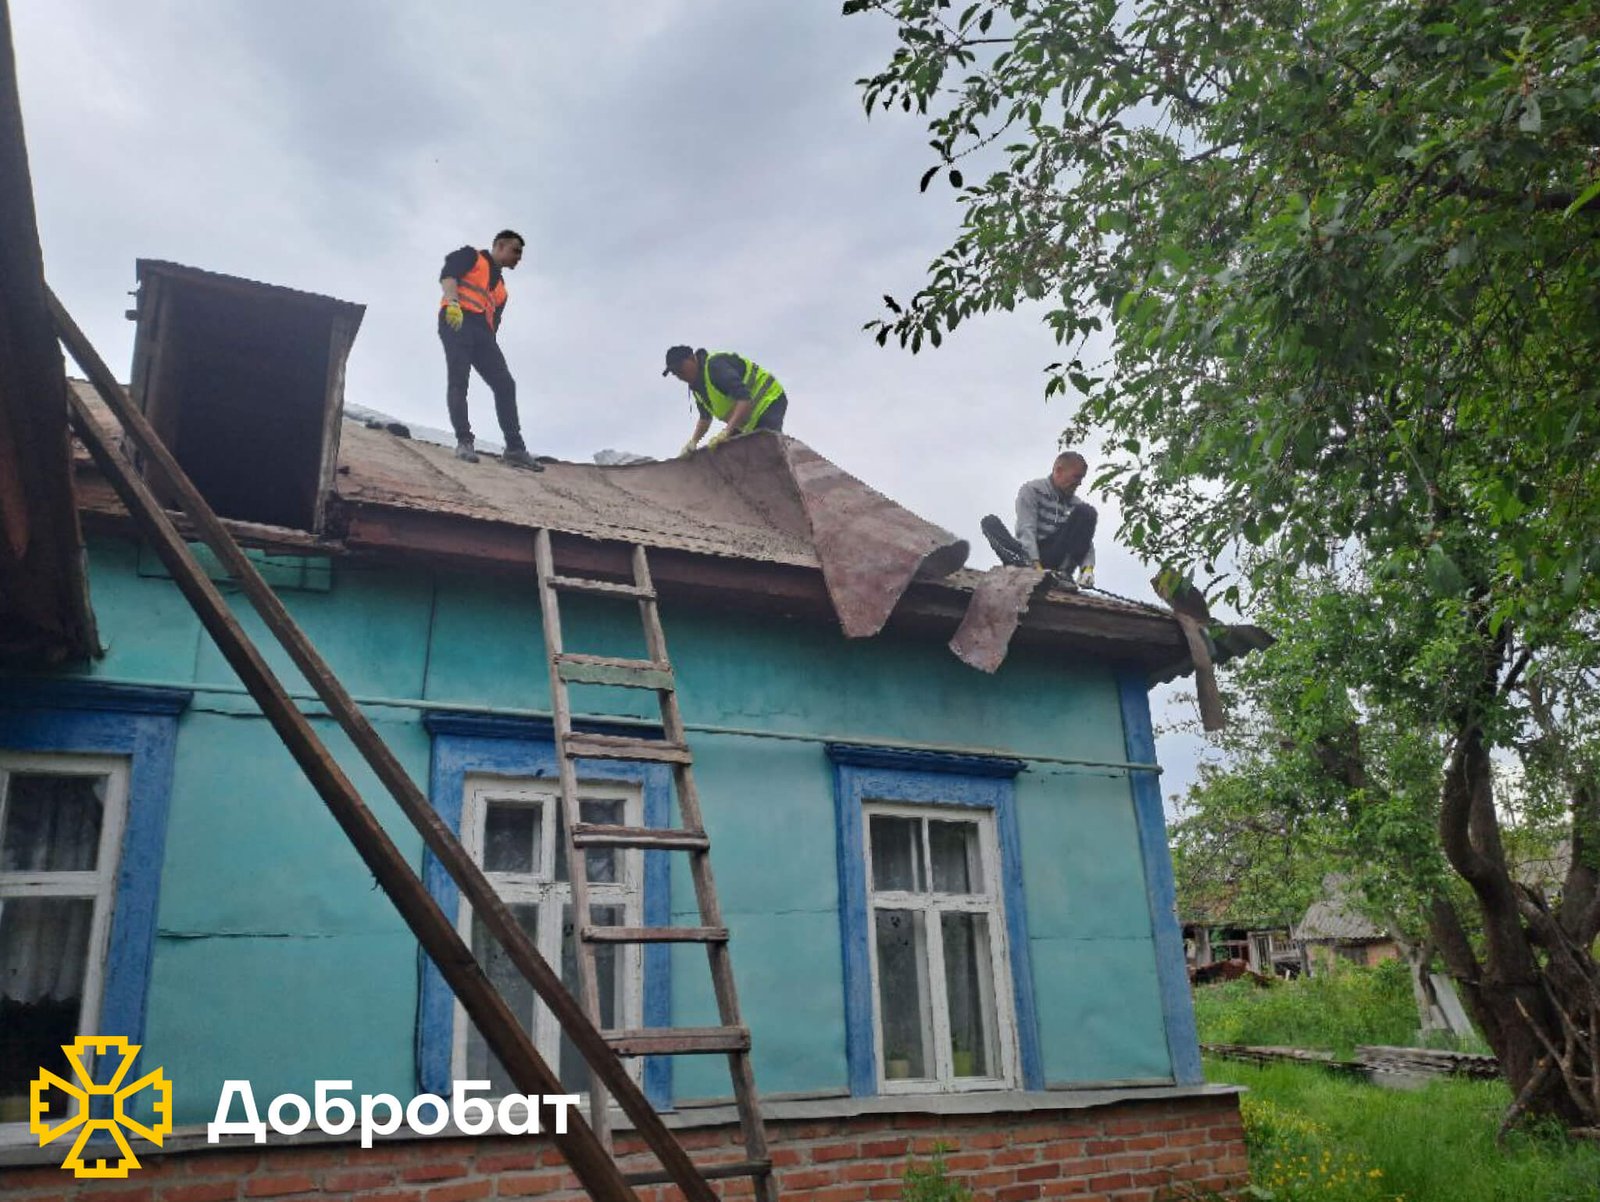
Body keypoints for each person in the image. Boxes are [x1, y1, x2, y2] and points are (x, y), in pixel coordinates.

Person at [439, 231, 540, 470]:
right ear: (500, 245)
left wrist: (489, 341)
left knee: (505, 384)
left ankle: (515, 448)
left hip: (482, 334)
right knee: (459, 379)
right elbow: (448, 275)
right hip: (457, 320)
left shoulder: (502, 290)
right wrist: (452, 303)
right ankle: (464, 442)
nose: (518, 257)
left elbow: (494, 319)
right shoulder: (471, 257)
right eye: (515, 251)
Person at [981, 451, 1098, 588]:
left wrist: (1087, 570)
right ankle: (1023, 566)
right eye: (1076, 477)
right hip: (1030, 555)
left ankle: (1062, 575)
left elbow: (1086, 542)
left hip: (1056, 558)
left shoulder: (1076, 506)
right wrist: (1036, 567)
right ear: (1059, 471)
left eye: (1081, 478)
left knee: (1087, 512)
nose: (1079, 483)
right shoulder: (1032, 491)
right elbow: (1026, 529)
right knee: (989, 522)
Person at [662, 345, 789, 456]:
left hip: (768, 399)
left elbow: (744, 399)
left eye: (680, 369)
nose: (679, 375)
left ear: (692, 359)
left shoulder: (715, 368)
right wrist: (693, 442)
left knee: (767, 449)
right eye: (675, 373)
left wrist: (727, 431)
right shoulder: (698, 387)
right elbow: (705, 418)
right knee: (729, 451)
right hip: (750, 418)